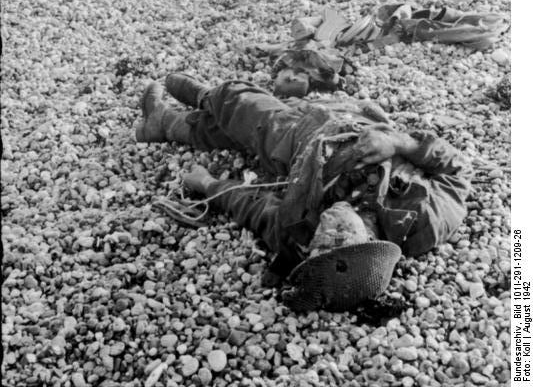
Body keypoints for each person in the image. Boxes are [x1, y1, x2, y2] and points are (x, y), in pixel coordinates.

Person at [136, 73, 471, 311]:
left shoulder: (298, 237)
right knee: (239, 126)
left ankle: (182, 114)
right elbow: (458, 168)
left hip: (303, 142)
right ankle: (178, 115)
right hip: (364, 122)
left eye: (320, 245)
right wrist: (401, 143)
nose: (324, 229)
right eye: (339, 236)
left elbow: (254, 208)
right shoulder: (428, 221)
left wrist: (207, 184)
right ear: (369, 243)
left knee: (245, 107)